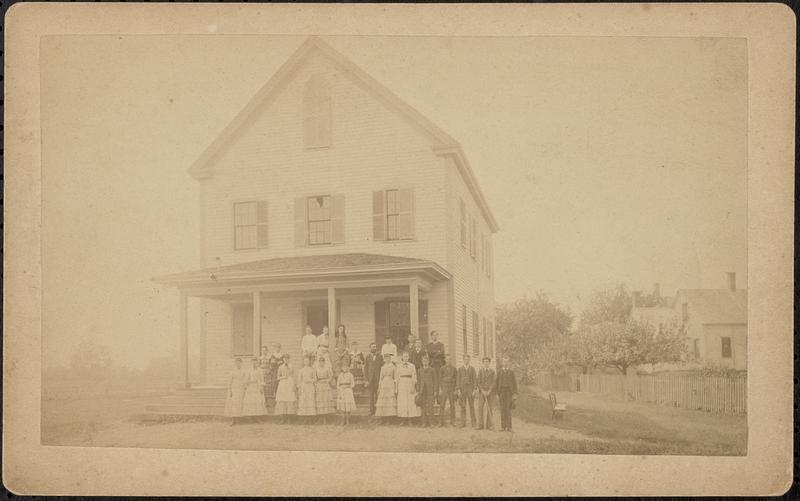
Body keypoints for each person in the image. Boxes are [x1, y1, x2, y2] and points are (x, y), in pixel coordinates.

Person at [395, 351, 419, 425]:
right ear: (402, 357)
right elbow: (396, 378)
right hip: (401, 384)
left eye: (407, 356)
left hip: (409, 384)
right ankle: (403, 419)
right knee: (403, 402)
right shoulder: (399, 366)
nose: (405, 358)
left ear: (409, 357)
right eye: (404, 356)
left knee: (410, 401)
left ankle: (410, 419)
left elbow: (414, 376)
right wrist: (396, 388)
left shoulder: (412, 366)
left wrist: (413, 386)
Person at [496, 355, 518, 432]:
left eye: (507, 361)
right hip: (501, 392)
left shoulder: (511, 372)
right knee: (502, 409)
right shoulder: (499, 372)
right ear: (502, 362)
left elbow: (515, 383)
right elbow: (496, 383)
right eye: (504, 361)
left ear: (508, 363)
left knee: (508, 409)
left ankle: (509, 427)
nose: (505, 363)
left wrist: (515, 394)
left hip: (509, 392)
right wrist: (497, 394)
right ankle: (503, 427)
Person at [374, 352, 397, 422]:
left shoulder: (393, 367)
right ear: (384, 359)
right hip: (384, 384)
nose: (387, 359)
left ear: (390, 359)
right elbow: (381, 378)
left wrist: (395, 387)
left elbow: (395, 378)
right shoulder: (383, 367)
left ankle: (389, 419)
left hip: (390, 383)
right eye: (386, 358)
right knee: (383, 401)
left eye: (389, 358)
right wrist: (379, 386)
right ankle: (383, 418)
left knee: (389, 401)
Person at [223, 358, 247, 424]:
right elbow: (230, 381)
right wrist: (230, 390)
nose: (238, 364)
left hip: (241, 388)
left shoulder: (243, 371)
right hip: (234, 388)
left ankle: (239, 419)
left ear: (241, 363)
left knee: (239, 403)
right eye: (237, 363)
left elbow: (245, 380)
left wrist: (245, 387)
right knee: (233, 403)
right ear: (235, 363)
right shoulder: (232, 371)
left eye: (239, 363)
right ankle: (233, 420)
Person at [417, 355, 439, 427]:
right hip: (422, 391)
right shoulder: (420, 370)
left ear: (428, 362)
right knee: (423, 407)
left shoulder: (432, 370)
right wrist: (418, 390)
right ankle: (424, 422)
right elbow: (418, 381)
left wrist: (435, 390)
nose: (425, 362)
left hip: (430, 390)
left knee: (430, 407)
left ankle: (431, 423)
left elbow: (435, 380)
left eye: (426, 361)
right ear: (422, 362)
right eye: (423, 361)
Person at [456, 354, 477, 428]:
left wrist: (474, 389)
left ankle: (474, 422)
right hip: (462, 389)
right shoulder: (460, 369)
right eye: (465, 359)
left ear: (469, 360)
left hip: (470, 389)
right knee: (463, 406)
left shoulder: (472, 369)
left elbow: (475, 380)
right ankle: (463, 422)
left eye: (467, 359)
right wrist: (458, 389)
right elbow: (458, 380)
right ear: (463, 360)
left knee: (471, 406)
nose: (466, 360)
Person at [274, 354, 297, 424]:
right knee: (282, 400)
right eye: (285, 358)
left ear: (289, 359)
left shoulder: (291, 366)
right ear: (283, 359)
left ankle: (289, 418)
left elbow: (293, 376)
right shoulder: (280, 367)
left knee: (289, 400)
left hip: (289, 383)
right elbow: (278, 377)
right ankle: (283, 418)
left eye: (287, 358)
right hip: (283, 384)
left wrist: (293, 385)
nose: (286, 360)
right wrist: (283, 377)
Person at [313, 354, 335, 424]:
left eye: (322, 361)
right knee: (320, 401)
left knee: (325, 400)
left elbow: (330, 377)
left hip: (325, 385)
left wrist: (326, 380)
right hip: (319, 386)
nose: (321, 363)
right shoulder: (316, 369)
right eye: (320, 361)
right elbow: (315, 378)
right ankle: (320, 418)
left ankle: (325, 418)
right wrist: (316, 382)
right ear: (318, 362)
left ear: (324, 362)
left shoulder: (327, 368)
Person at [476, 356, 496, 431]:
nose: (486, 363)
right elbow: (478, 382)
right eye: (485, 362)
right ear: (483, 363)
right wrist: (482, 390)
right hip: (482, 392)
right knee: (480, 408)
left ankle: (489, 425)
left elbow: (494, 382)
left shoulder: (492, 371)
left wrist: (490, 390)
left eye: (487, 362)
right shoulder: (481, 371)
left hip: (490, 392)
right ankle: (480, 425)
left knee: (489, 408)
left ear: (489, 363)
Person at [438, 353, 458, 426]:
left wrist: (456, 389)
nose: (448, 360)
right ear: (445, 360)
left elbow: (456, 379)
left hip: (452, 387)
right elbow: (439, 379)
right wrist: (440, 388)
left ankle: (453, 421)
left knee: (452, 404)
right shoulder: (442, 368)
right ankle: (441, 421)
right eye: (447, 359)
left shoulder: (454, 369)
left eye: (449, 359)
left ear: (451, 360)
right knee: (442, 404)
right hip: (444, 387)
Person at [296, 356, 317, 422]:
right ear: (303, 362)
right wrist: (299, 387)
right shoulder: (301, 370)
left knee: (310, 401)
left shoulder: (312, 370)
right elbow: (299, 380)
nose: (306, 362)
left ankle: (310, 418)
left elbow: (315, 379)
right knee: (304, 401)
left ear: (309, 362)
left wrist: (310, 380)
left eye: (307, 361)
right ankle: (304, 418)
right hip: (304, 387)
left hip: (310, 386)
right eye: (305, 361)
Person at [364, 342, 382, 415]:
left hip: (378, 379)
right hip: (370, 380)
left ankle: (378, 411)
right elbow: (365, 368)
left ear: (376, 348)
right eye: (372, 347)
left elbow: (382, 367)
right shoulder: (368, 357)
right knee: (371, 396)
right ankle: (372, 411)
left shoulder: (380, 356)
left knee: (378, 395)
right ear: (370, 348)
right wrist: (367, 379)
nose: (373, 348)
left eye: (374, 347)